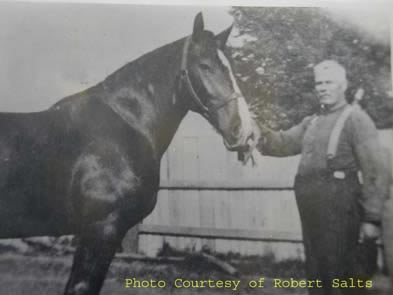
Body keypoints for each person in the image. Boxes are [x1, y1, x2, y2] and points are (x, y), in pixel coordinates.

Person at [256, 60, 388, 294]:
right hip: (311, 204)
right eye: (319, 83)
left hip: (340, 203)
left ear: (343, 86)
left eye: (329, 83)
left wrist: (372, 218)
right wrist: (254, 131)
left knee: (340, 271)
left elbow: (375, 171)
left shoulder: (356, 119)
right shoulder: (312, 121)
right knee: (316, 270)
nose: (323, 88)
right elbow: (282, 143)